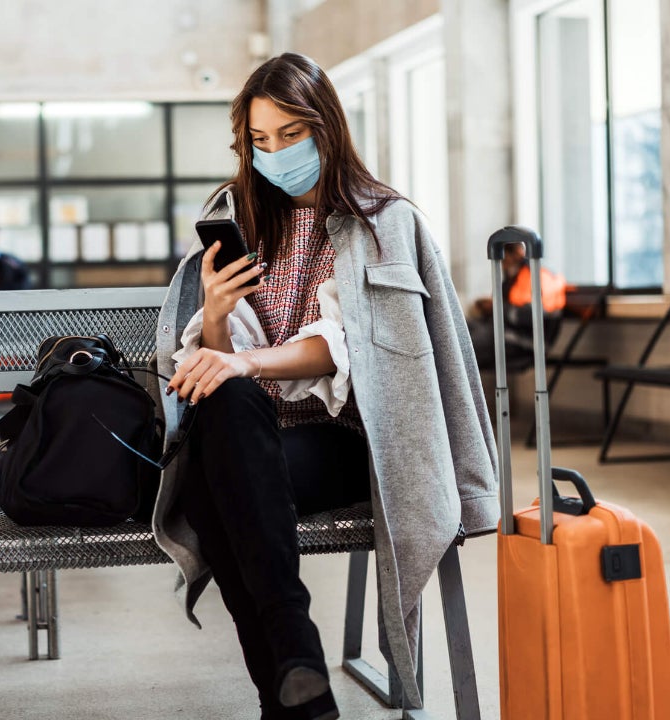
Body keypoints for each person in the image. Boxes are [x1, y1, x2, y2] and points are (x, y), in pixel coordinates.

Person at [154, 53, 498, 719]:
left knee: (212, 482)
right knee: (222, 436)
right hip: (255, 437)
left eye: (289, 134)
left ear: (326, 128)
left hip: (347, 441)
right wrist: (219, 317)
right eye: (259, 140)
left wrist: (245, 365)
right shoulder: (248, 221)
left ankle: (290, 674)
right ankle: (298, 673)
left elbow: (354, 349)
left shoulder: (380, 221)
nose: (274, 153)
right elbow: (223, 367)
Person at [466, 241, 567, 371]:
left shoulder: (537, 277)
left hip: (527, 341)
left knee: (467, 345)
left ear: (515, 254)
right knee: (462, 326)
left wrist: (496, 308)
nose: (502, 264)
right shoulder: (513, 278)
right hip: (505, 331)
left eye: (504, 258)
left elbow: (534, 316)